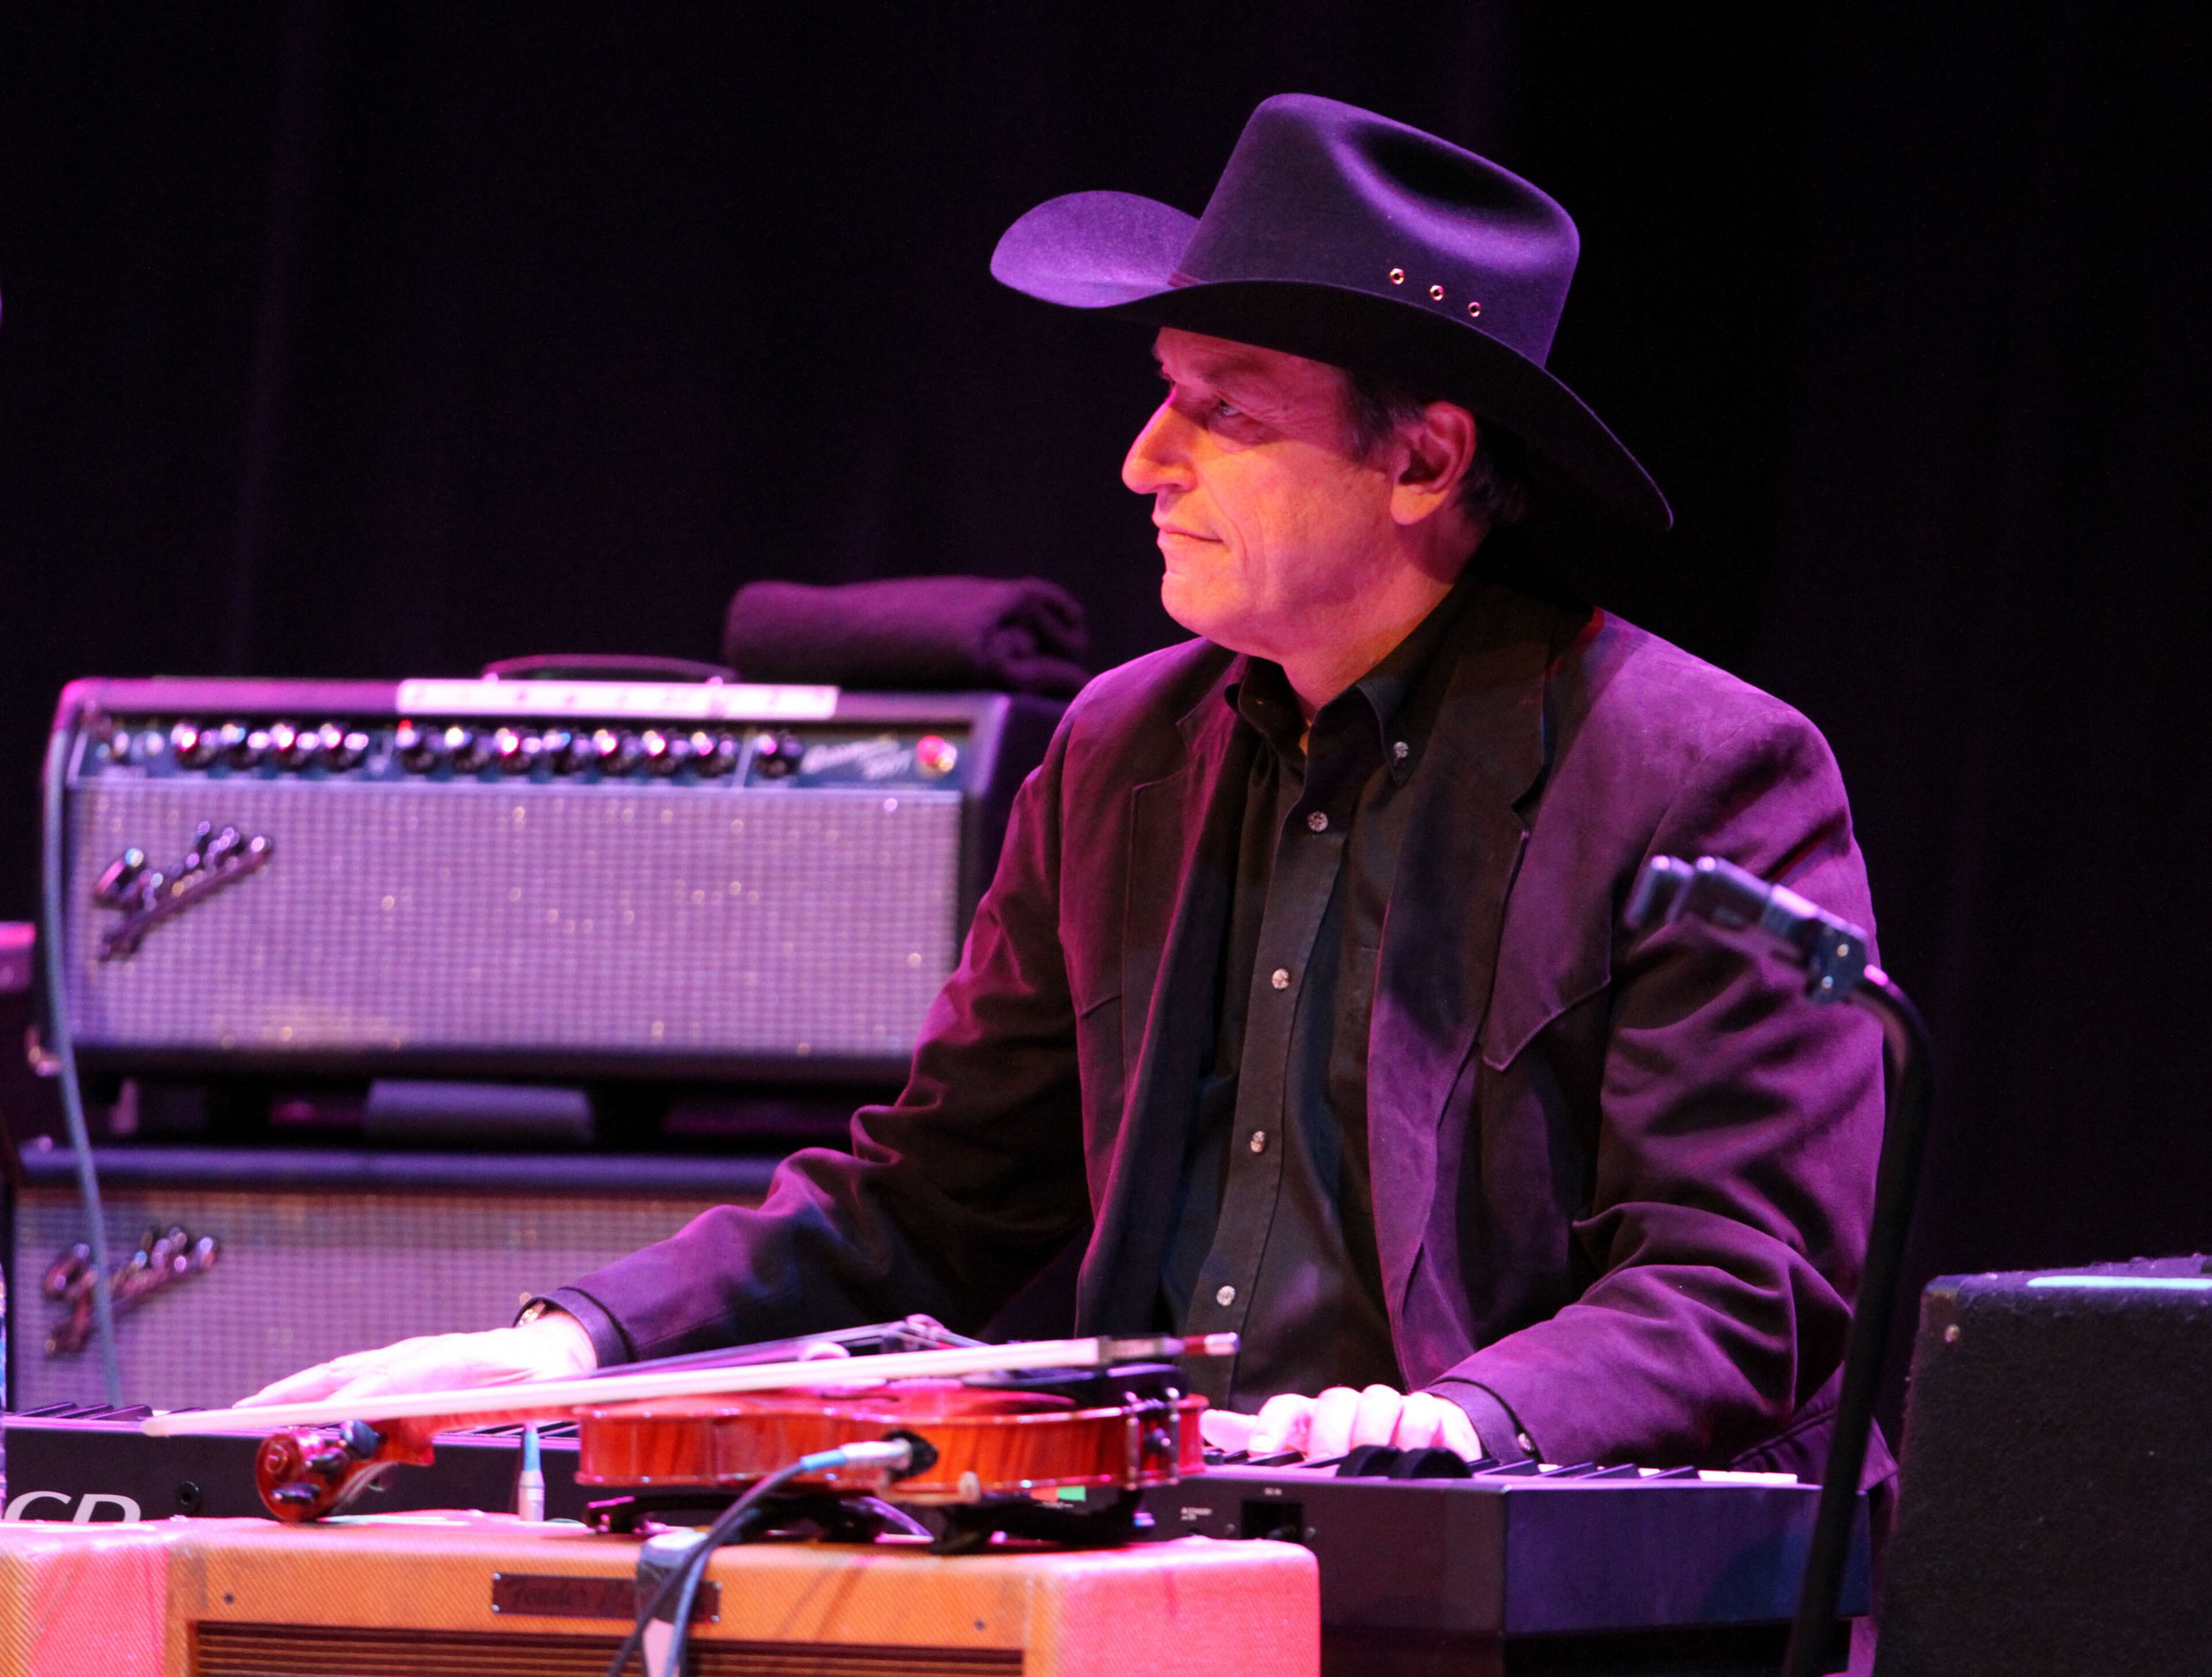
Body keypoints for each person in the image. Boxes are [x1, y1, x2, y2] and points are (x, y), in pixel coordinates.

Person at [246, 94, 1889, 1483]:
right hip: (1166, 1552)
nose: (1145, 458)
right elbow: (934, 1192)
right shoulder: (1124, 751)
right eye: (1164, 393)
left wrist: (1463, 1421)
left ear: (1427, 460)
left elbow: (1740, 1283)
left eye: (1222, 411)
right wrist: (574, 1342)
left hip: (1537, 1583)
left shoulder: (1699, 771)